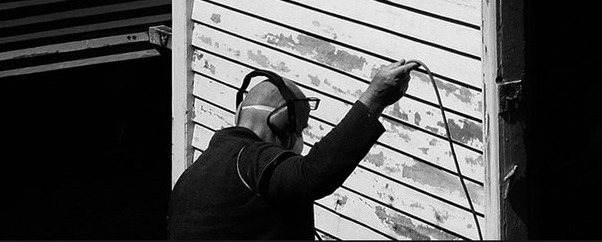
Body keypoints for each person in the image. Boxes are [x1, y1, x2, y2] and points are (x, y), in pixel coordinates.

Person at [167, 59, 421, 239]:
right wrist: (373, 100)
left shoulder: (201, 170)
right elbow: (313, 175)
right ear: (280, 122)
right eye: (300, 129)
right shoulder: (250, 160)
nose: (299, 140)